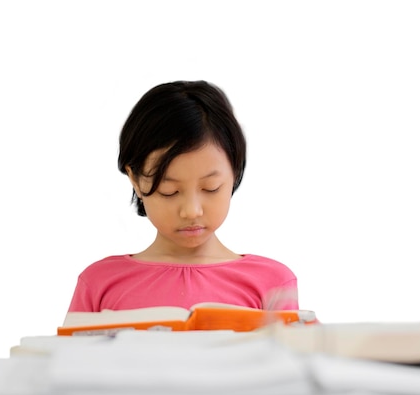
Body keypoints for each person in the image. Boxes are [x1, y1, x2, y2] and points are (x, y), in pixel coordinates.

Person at [67, 80, 299, 312]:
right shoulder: (99, 283)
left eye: (211, 188)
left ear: (235, 173)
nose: (191, 211)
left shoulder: (273, 283)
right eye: (170, 191)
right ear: (135, 180)